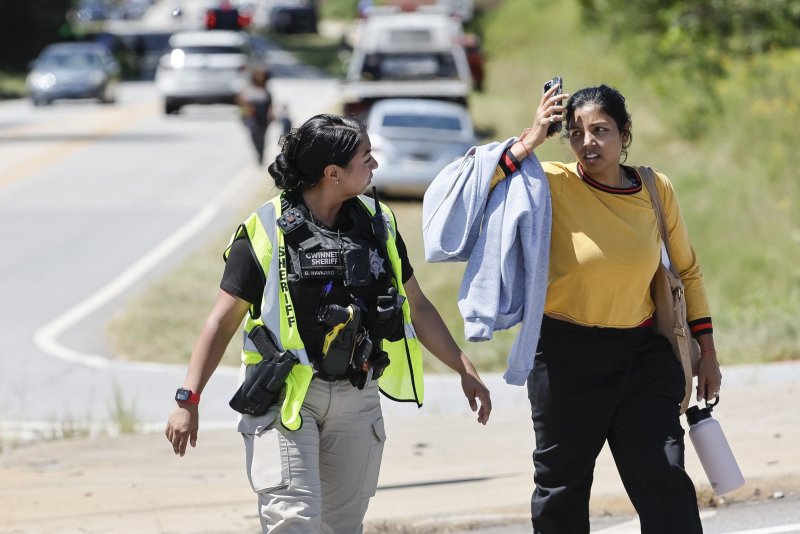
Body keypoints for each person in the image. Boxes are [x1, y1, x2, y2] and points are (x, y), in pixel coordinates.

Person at [165, 113, 492, 534]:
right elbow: (220, 322)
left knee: (341, 528)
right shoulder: (265, 230)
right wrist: (187, 399)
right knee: (294, 523)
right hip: (284, 398)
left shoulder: (380, 223)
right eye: (366, 157)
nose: (375, 165)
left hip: (358, 398)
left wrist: (463, 368)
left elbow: (418, 306)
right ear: (332, 173)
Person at [422, 84, 722, 533]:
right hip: (565, 359)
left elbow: (689, 271)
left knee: (664, 480)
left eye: (601, 130)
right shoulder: (551, 181)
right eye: (577, 133)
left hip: (642, 356)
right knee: (561, 489)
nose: (588, 143)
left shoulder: (656, 188)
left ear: (625, 134)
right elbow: (465, 196)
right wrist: (530, 139)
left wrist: (708, 352)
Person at [237, 67, 273, 165]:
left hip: (263, 114)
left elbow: (270, 104)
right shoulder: (248, 87)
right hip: (252, 114)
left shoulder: (266, 88)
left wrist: (271, 114)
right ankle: (259, 152)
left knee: (262, 136)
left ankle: (261, 153)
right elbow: (240, 101)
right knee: (254, 134)